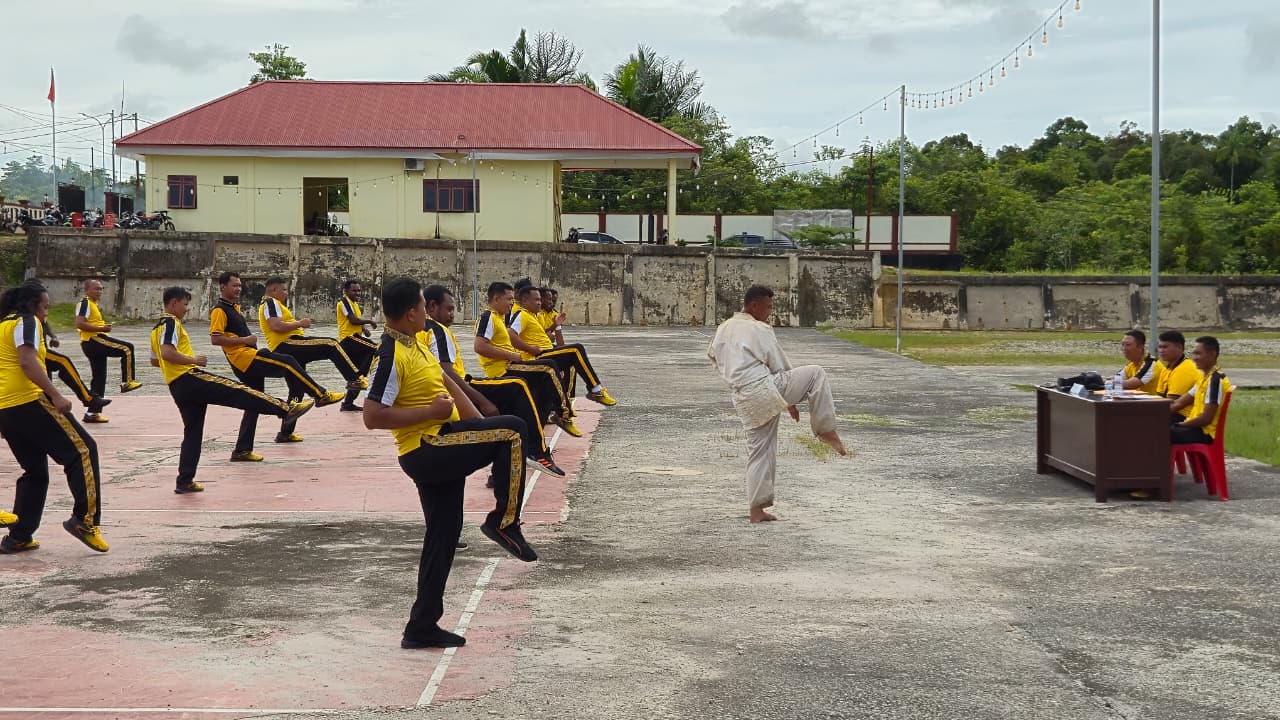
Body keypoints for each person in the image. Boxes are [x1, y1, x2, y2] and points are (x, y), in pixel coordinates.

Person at [363, 277, 536, 650]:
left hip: (442, 439)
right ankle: (503, 522)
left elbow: (446, 382)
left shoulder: (419, 341)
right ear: (411, 313)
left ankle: (421, 625)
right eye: (424, 307)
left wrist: (478, 417)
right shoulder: (391, 353)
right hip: (427, 448)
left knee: (443, 535)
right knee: (514, 431)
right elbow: (372, 415)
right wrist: (431, 411)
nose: (428, 312)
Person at [709, 285, 849, 524]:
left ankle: (756, 512)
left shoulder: (724, 328)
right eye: (768, 307)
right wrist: (788, 400)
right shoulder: (758, 328)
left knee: (760, 452)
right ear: (754, 305)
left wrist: (782, 398)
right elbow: (780, 366)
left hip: (743, 396)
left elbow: (713, 356)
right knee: (816, 374)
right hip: (765, 386)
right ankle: (826, 431)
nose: (769, 312)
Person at [154, 286, 315, 494]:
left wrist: (175, 364)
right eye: (185, 305)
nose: (186, 310)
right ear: (174, 303)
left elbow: (154, 360)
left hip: (176, 386)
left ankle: (184, 480)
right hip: (189, 378)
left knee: (193, 432)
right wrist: (192, 360)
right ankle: (286, 409)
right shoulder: (170, 322)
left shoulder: (155, 328)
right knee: (238, 391)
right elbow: (167, 353)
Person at [0, 280, 108, 553]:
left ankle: (19, 536)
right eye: (45, 307)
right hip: (29, 399)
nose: (47, 312)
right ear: (32, 305)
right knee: (83, 451)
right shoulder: (27, 322)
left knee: (35, 471)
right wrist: (55, 395)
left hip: (7, 407)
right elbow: (27, 361)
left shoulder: (3, 325)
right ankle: (85, 521)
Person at [422, 284, 565, 477]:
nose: (452, 314)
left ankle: (500, 472)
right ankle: (540, 445)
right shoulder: (440, 329)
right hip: (474, 381)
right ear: (431, 307)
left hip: (460, 386)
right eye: (449, 309)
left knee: (516, 412)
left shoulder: (431, 330)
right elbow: (451, 367)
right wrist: (481, 401)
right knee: (521, 385)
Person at [209, 271, 344, 459]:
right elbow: (216, 339)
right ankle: (320, 395)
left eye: (240, 285)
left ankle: (242, 450)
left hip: (246, 359)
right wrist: (246, 339)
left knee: (254, 405)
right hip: (245, 358)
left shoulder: (234, 308)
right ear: (222, 287)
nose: (238, 289)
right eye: (234, 285)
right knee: (288, 362)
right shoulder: (219, 310)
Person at [474, 282, 581, 437]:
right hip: (502, 370)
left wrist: (555, 328)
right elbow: (480, 347)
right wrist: (512, 355)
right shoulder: (488, 317)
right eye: (509, 299)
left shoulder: (499, 317)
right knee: (549, 369)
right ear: (496, 299)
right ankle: (563, 414)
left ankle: (538, 434)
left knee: (544, 388)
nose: (512, 302)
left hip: (511, 365)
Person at [258, 277, 365, 409]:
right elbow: (276, 326)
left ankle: (287, 430)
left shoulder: (272, 304)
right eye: (284, 290)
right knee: (330, 344)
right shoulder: (271, 302)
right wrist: (300, 323)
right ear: (274, 290)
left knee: (296, 394)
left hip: (288, 348)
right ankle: (355, 380)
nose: (286, 293)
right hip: (287, 344)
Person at [508, 284, 616, 407]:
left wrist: (556, 326)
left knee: (573, 360)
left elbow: (553, 341)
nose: (539, 303)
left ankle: (566, 402)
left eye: (540, 300)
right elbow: (511, 335)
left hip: (547, 351)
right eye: (536, 300)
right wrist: (530, 349)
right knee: (576, 349)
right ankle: (595, 390)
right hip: (537, 356)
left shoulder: (534, 316)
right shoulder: (522, 314)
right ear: (525, 301)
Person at [76, 279, 142, 422]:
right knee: (127, 348)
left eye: (101, 289)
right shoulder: (85, 303)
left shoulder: (93, 304)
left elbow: (89, 322)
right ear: (87, 290)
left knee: (99, 378)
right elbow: (80, 324)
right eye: (96, 289)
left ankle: (92, 413)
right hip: (93, 340)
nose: (100, 291)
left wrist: (102, 325)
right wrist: (102, 328)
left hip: (92, 342)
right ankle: (127, 382)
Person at [1169, 336, 1232, 445]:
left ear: (1212, 354)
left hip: (1203, 432)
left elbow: (1206, 419)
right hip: (1193, 427)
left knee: (1159, 433)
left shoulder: (1215, 380)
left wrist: (1180, 425)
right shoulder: (1203, 378)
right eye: (1194, 354)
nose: (1194, 358)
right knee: (1155, 428)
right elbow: (1179, 402)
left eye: (1198, 354)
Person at [42, 320, 110, 417]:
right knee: (63, 361)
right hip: (36, 352)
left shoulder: (35, 313)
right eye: (44, 307)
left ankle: (50, 409)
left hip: (41, 351)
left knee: (46, 389)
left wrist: (53, 336)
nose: (46, 312)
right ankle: (88, 398)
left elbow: (44, 322)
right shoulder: (25, 320)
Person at [336, 279, 379, 412]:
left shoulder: (354, 304)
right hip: (349, 340)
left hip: (356, 340)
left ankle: (348, 403)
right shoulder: (343, 302)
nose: (357, 293)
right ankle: (364, 380)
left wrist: (364, 328)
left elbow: (356, 321)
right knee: (376, 348)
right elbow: (353, 320)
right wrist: (369, 321)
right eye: (354, 290)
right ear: (346, 291)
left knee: (357, 374)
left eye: (359, 290)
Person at [1154, 330, 1201, 422]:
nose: (1161, 350)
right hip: (1170, 412)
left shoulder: (1185, 369)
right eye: (1160, 347)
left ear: (1179, 347)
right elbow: (1159, 398)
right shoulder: (1167, 368)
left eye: (1165, 347)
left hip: (1182, 416)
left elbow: (1173, 404)